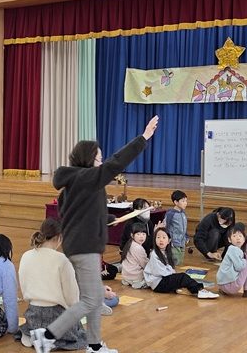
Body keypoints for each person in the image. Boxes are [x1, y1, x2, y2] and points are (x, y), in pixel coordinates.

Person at [29, 116, 159, 353]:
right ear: (89, 160)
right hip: (84, 247)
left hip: (79, 245)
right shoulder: (87, 178)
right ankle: (47, 335)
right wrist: (143, 138)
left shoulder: (76, 184)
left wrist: (108, 220)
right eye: (98, 158)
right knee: (91, 300)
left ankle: (95, 345)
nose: (101, 162)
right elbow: (116, 163)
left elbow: (77, 214)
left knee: (92, 297)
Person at [18, 219, 86, 350]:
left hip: (33, 313)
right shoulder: (62, 260)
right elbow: (72, 297)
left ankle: (33, 335)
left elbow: (24, 286)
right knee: (81, 335)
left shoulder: (26, 256)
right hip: (57, 315)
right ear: (59, 237)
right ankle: (48, 339)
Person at [144, 227, 219, 299]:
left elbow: (168, 269)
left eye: (164, 237)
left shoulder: (166, 252)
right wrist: (174, 274)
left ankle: (197, 290)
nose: (161, 240)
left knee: (182, 278)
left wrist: (173, 274)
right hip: (158, 283)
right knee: (182, 277)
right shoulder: (154, 254)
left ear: (169, 241)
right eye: (158, 237)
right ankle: (200, 290)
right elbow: (160, 272)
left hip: (163, 280)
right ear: (154, 239)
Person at [217, 227, 247, 297]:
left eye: (240, 236)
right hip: (230, 286)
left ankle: (225, 290)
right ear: (229, 240)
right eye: (234, 236)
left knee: (245, 263)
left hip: (222, 285)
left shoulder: (232, 249)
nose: (238, 238)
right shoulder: (234, 249)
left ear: (244, 239)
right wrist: (244, 261)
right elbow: (239, 267)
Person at [120, 222, 149, 289]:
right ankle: (141, 283)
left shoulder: (129, 244)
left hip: (126, 275)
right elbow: (145, 264)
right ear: (132, 235)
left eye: (144, 234)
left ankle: (128, 281)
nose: (141, 236)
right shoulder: (138, 248)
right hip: (135, 276)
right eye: (138, 234)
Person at [164, 190, 188, 266]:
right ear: (176, 202)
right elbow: (166, 226)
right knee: (175, 262)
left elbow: (184, 227)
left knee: (180, 261)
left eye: (186, 201)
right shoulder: (171, 214)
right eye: (183, 201)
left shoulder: (183, 213)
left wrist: (186, 236)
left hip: (182, 242)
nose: (185, 203)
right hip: (174, 243)